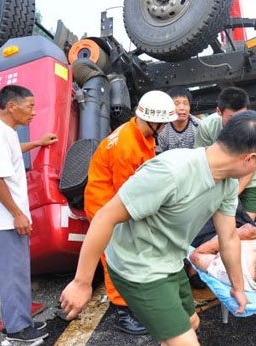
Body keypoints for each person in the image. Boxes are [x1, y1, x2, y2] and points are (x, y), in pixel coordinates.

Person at [60, 110, 256, 346]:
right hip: (137, 268)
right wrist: (82, 283)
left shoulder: (226, 183)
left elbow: (228, 239)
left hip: (170, 262)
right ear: (249, 158)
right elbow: (104, 218)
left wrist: (238, 288)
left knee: (191, 323)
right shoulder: (171, 172)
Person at [84, 90, 177, 335]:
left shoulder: (139, 132)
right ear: (153, 121)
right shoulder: (126, 146)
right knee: (115, 257)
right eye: (164, 124)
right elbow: (128, 194)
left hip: (111, 199)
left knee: (130, 250)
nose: (166, 129)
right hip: (105, 205)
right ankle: (122, 309)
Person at [0, 85, 58, 343]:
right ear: (12, 106)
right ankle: (17, 332)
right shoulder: (0, 133)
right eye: (30, 106)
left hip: (10, 218)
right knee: (13, 275)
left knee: (20, 273)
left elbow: (11, 154)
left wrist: (36, 142)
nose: (33, 111)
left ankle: (22, 321)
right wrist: (17, 214)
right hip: (6, 220)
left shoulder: (8, 132)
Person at [195, 87, 256, 220]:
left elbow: (251, 169)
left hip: (250, 185)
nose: (238, 123)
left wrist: (230, 197)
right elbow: (201, 160)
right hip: (219, 184)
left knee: (244, 227)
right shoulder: (207, 127)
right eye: (232, 118)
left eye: (242, 117)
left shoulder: (253, 128)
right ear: (219, 111)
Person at [156, 86, 201, 154]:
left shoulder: (198, 126)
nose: (182, 108)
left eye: (185, 103)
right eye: (176, 104)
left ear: (189, 107)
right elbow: (157, 153)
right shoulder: (162, 128)